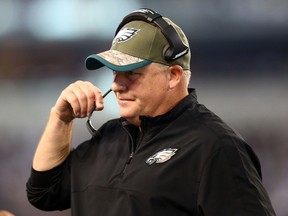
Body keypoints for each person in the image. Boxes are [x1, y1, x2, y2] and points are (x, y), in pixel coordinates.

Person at [26, 8, 276, 216]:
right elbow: (43, 194)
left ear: (173, 76)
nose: (116, 85)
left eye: (132, 73)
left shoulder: (214, 146)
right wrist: (60, 119)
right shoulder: (110, 136)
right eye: (115, 73)